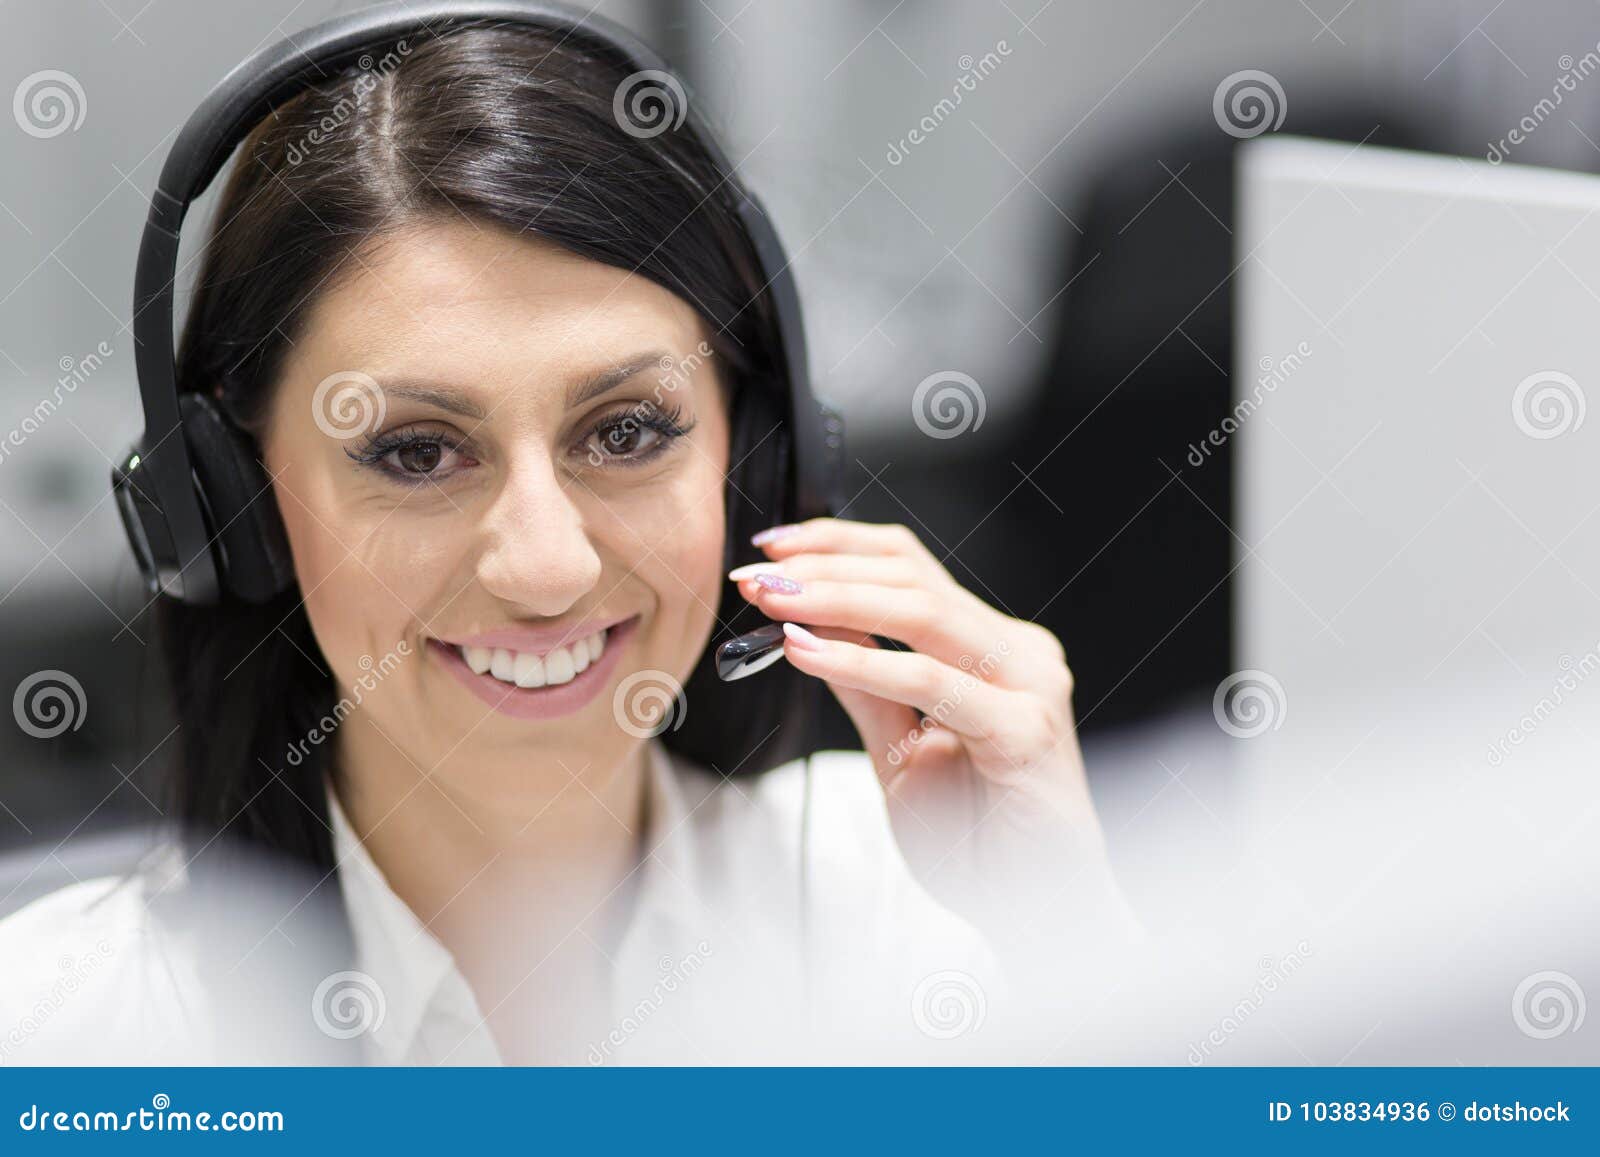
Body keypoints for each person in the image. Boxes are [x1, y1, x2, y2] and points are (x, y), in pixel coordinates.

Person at [0, 14, 1136, 1066]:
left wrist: (1062, 948)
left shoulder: (908, 910)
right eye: (415, 452)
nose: (544, 567)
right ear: (233, 507)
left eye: (628, 430)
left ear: (754, 463)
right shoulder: (72, 1032)